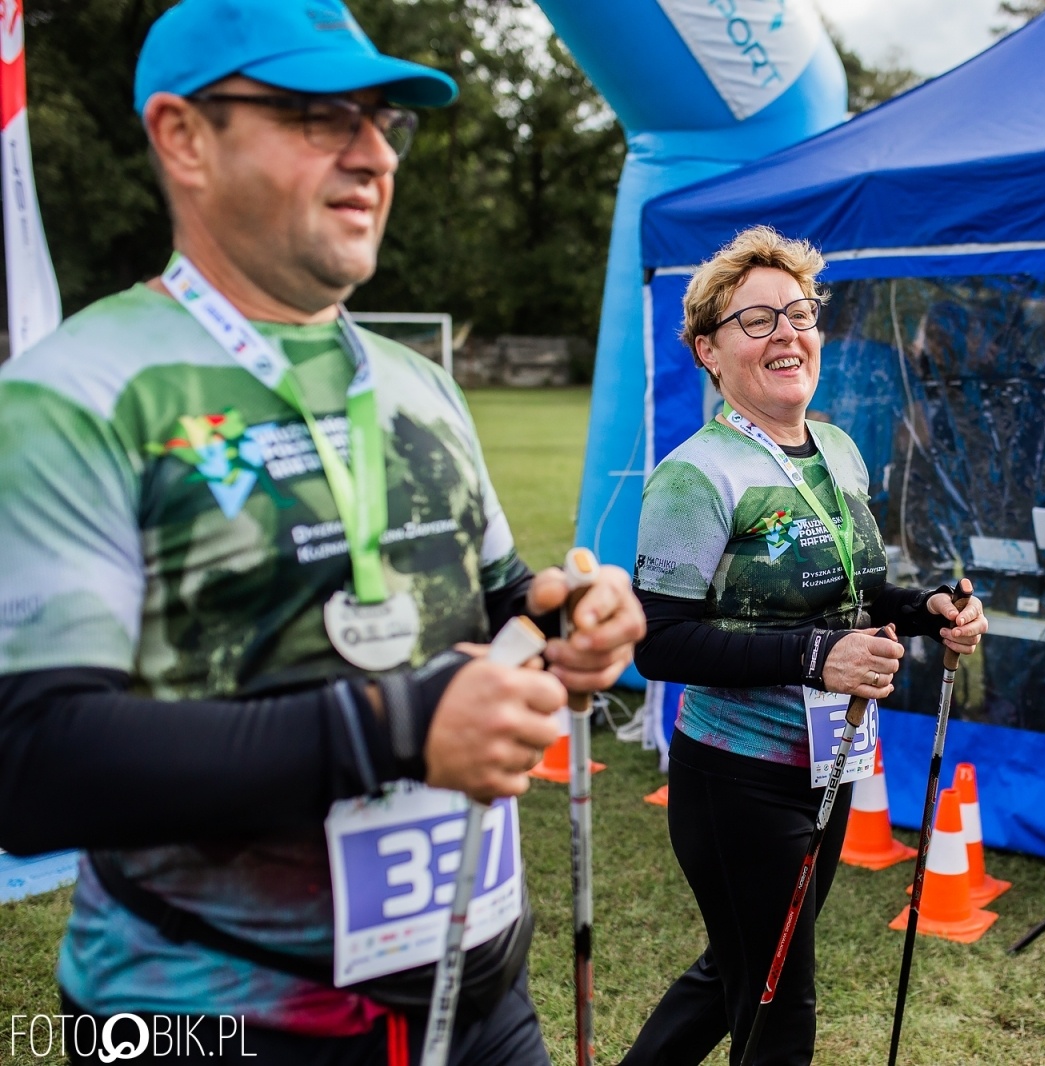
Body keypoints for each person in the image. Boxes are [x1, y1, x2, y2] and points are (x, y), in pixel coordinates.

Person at [0, 1, 645, 1063]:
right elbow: (32, 764)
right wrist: (392, 725)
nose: (371, 151)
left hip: (480, 995)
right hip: (218, 1019)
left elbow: (488, 598)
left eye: (384, 119)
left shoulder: (417, 384)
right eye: (317, 115)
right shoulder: (75, 393)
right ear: (183, 137)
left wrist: (567, 613)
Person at [620, 226, 988, 1065]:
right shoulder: (696, 474)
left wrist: (930, 609)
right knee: (781, 1009)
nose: (788, 333)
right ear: (710, 352)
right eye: (758, 321)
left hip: (826, 766)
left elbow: (858, 594)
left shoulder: (839, 448)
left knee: (738, 974)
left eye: (800, 312)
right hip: (737, 780)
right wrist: (817, 657)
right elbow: (661, 644)